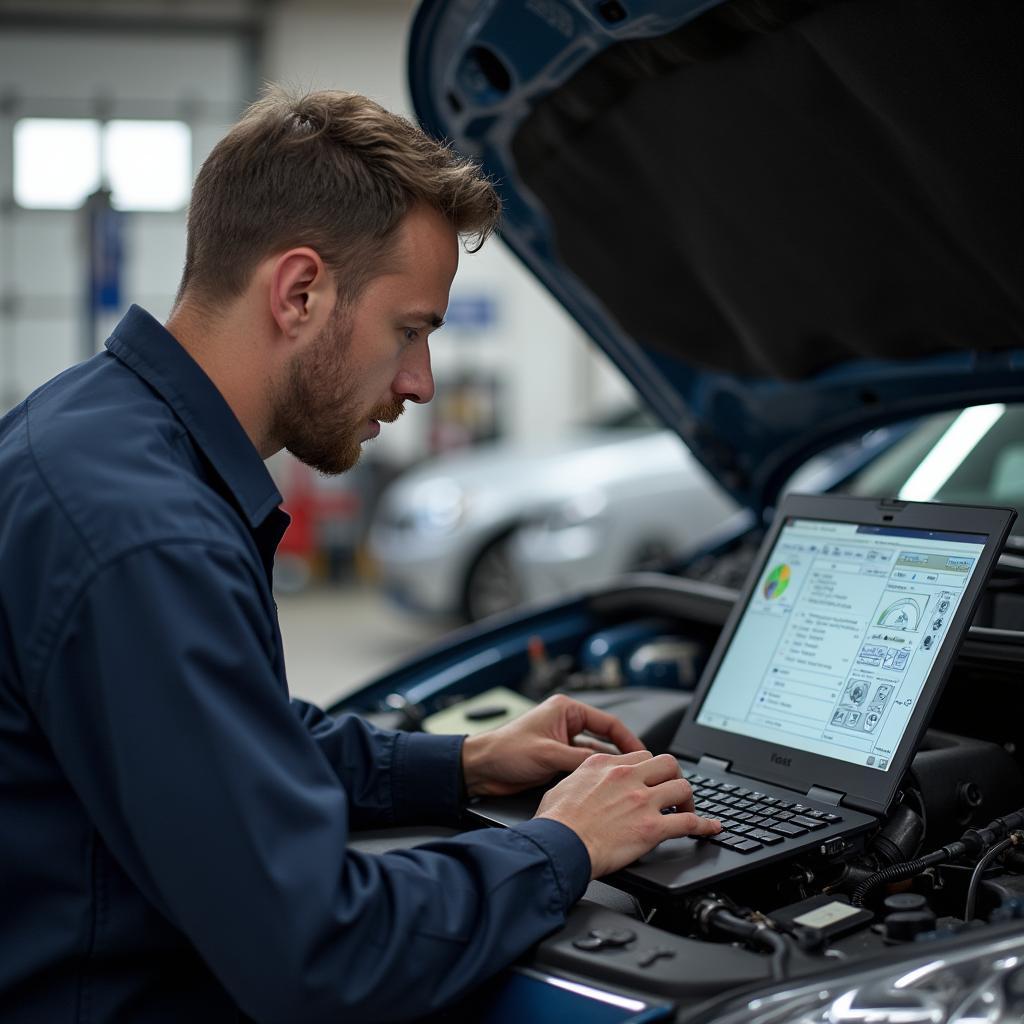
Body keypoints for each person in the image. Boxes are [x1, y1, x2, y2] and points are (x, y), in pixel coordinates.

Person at [0, 87, 720, 1022]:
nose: (421, 382)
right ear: (300, 292)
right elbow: (318, 952)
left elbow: (225, 742)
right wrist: (561, 844)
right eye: (411, 330)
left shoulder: (86, 431)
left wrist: (462, 763)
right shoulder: (146, 533)